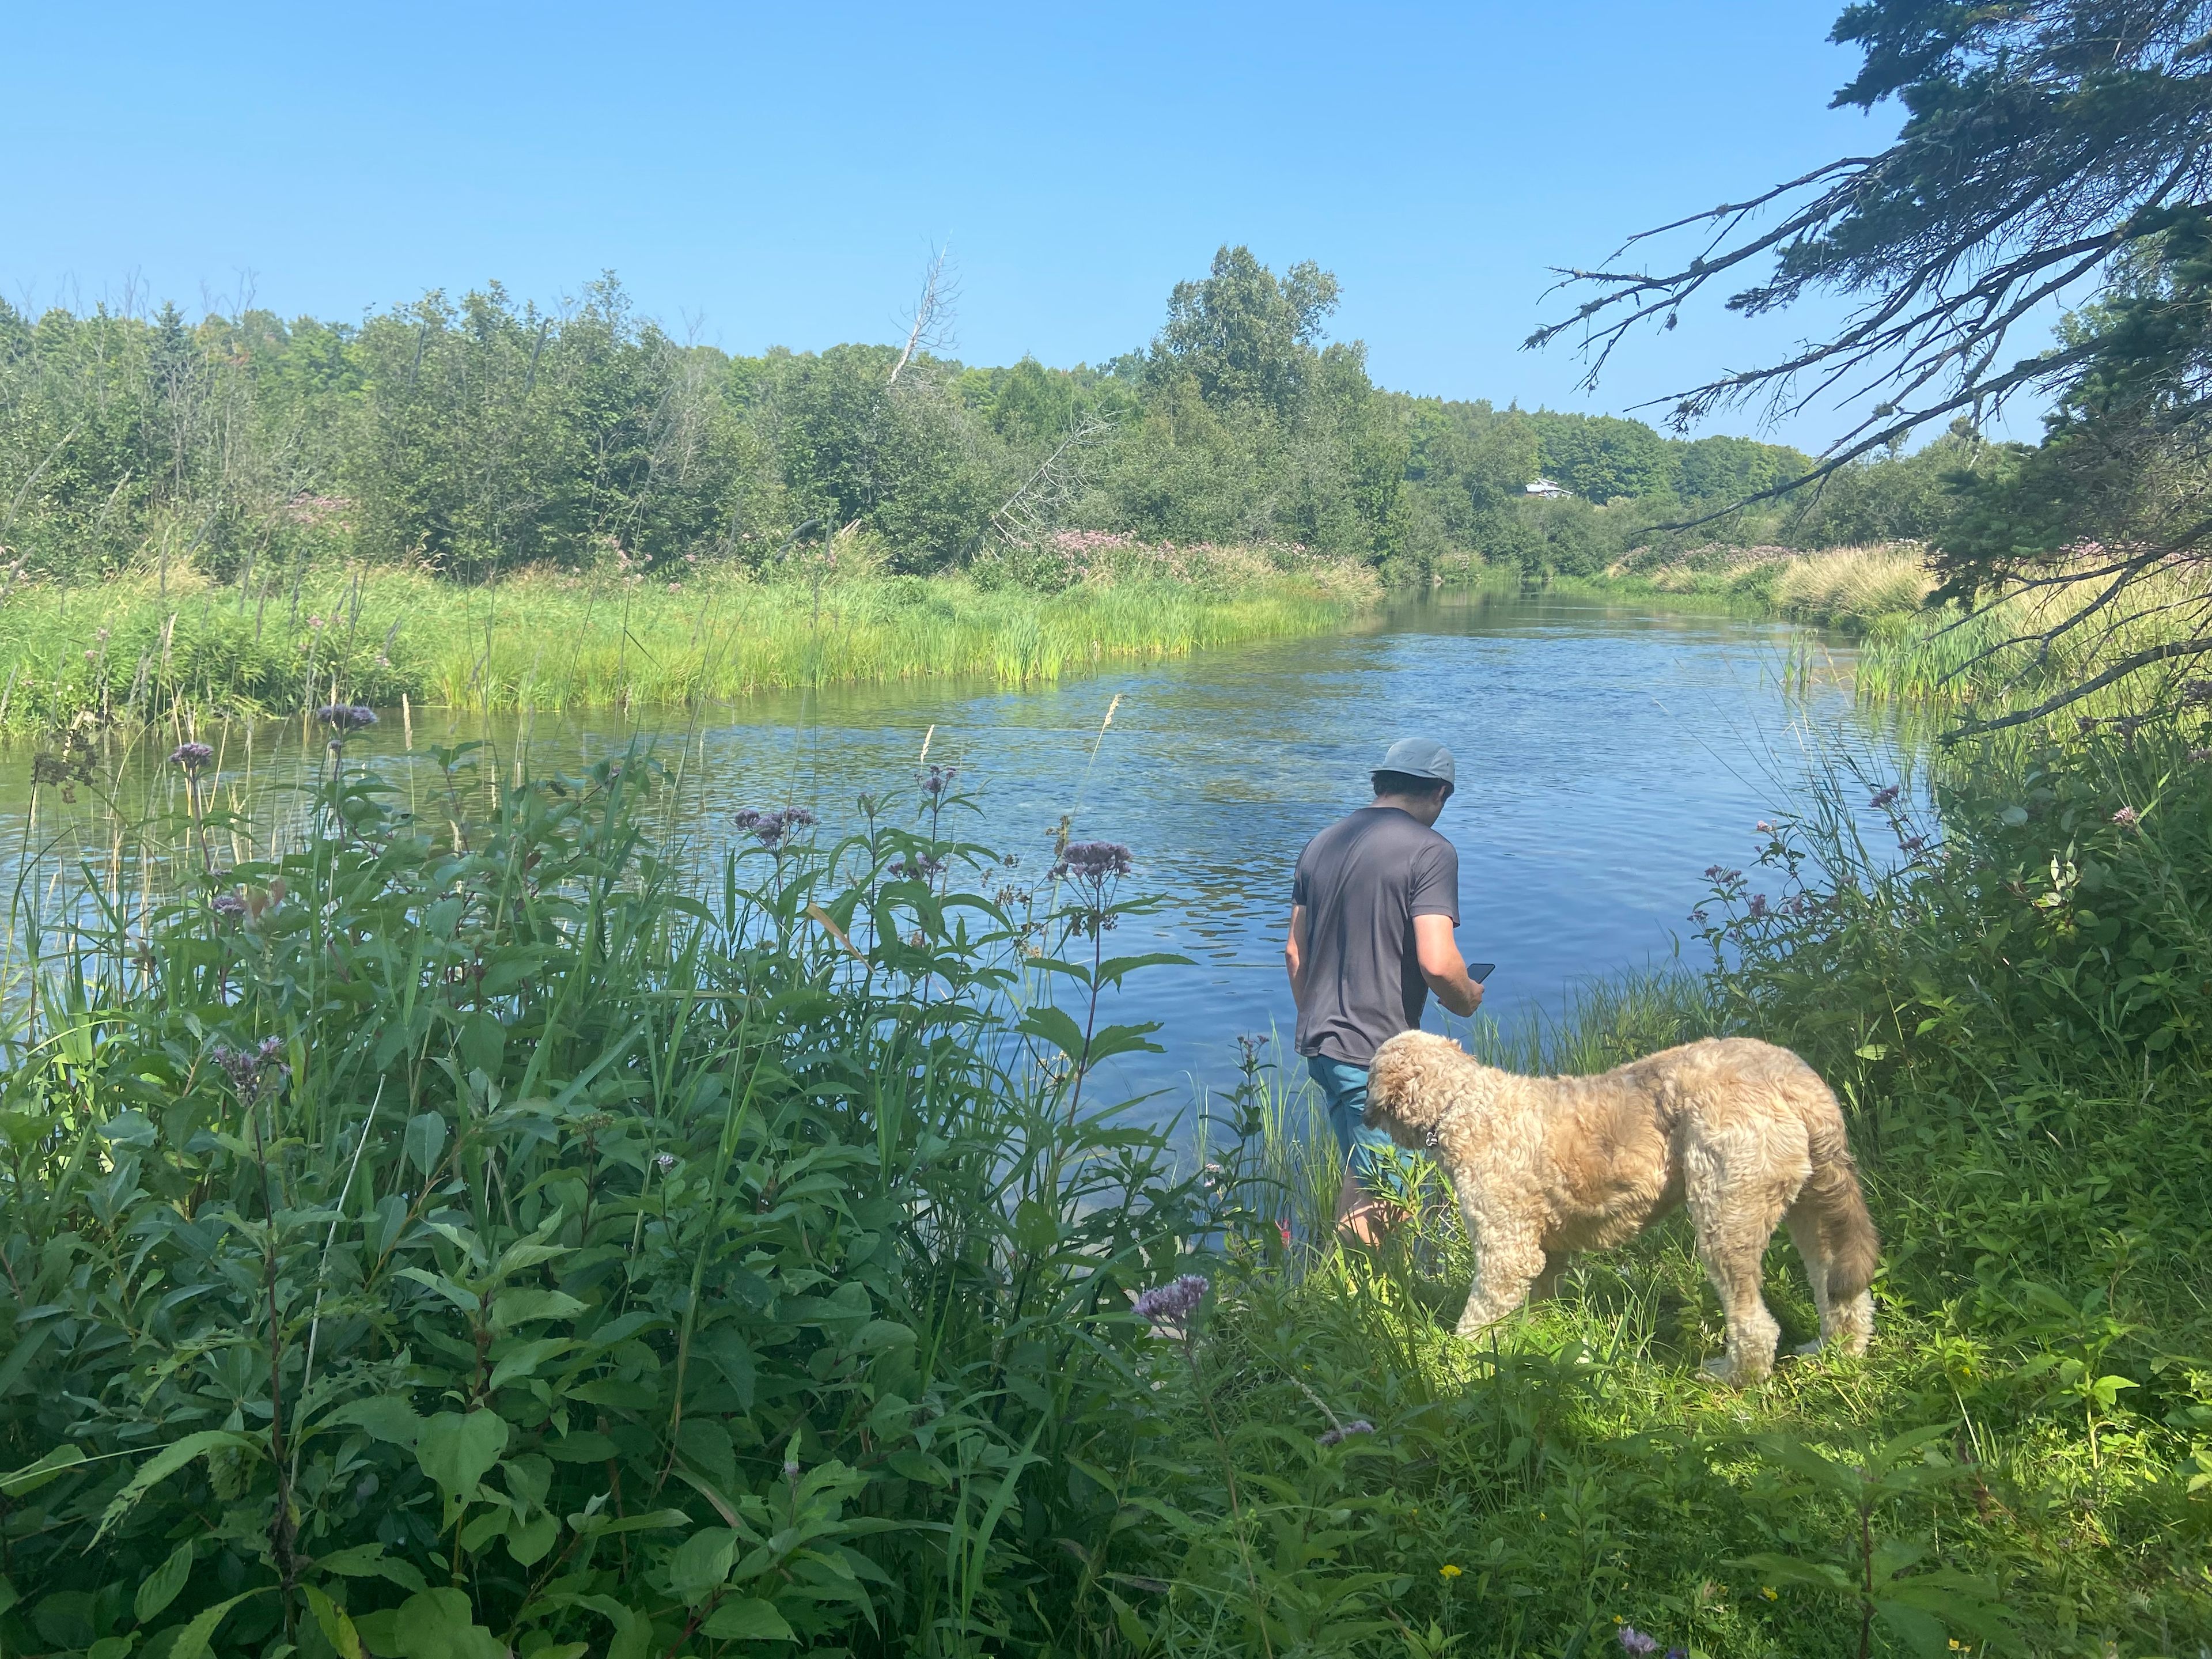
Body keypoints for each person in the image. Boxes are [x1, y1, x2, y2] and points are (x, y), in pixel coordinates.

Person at [1284, 737, 1486, 1245]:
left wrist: (1319, 1022)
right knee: (1393, 1203)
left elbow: (1294, 953)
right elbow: (1438, 962)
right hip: (1376, 1055)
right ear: (1441, 792)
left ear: (1379, 783)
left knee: (1361, 1176)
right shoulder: (1430, 851)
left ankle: (1330, 1295)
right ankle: (1377, 1312)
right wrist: (1465, 998)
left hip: (1322, 1045)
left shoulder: (1321, 843)